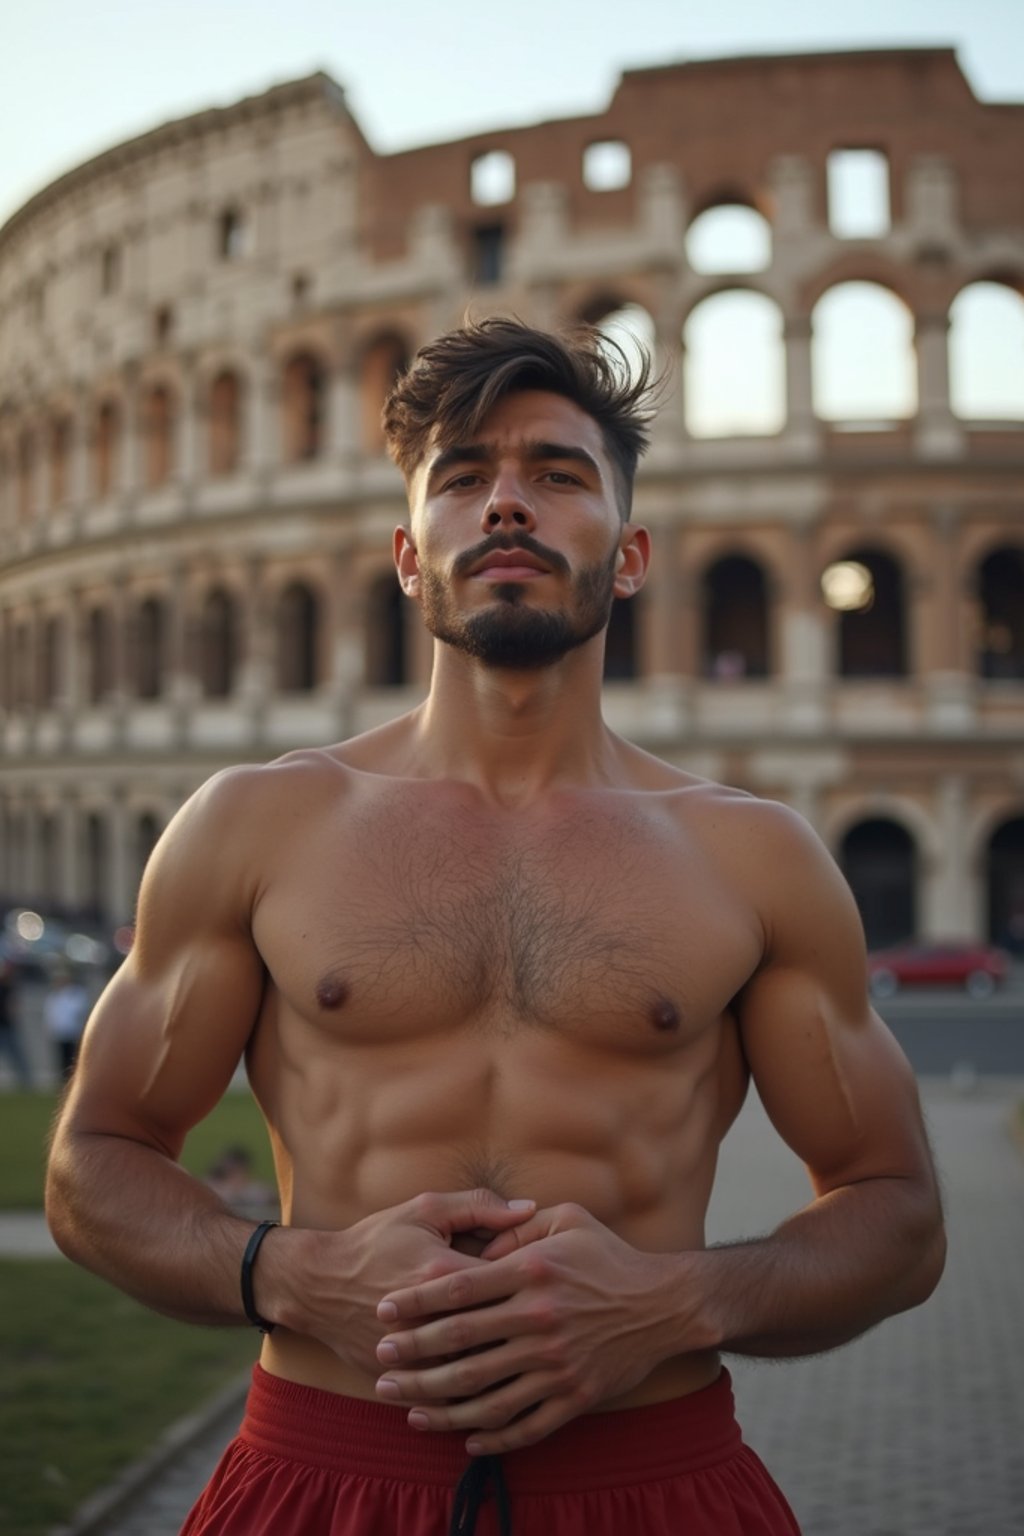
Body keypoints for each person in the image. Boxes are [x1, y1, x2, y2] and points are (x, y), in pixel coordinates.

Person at [45, 319, 946, 1536]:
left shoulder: (750, 855)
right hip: (320, 1471)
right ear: (411, 558)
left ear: (627, 557)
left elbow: (896, 1215)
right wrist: (291, 1276)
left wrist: (667, 1307)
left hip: (657, 1478)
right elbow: (90, 1166)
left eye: (556, 475)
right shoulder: (257, 825)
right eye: (464, 478)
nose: (507, 505)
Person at [42, 964, 89, 1082]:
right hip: (59, 1032)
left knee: (73, 1057)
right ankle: (63, 1079)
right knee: (62, 1058)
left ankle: (74, 1079)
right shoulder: (54, 996)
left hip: (72, 1031)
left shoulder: (76, 993)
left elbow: (79, 1010)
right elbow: (51, 1013)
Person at [0, 957, 32, 1088]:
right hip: (4, 1025)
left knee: (17, 1055)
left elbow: (14, 1005)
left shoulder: (9, 986)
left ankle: (26, 1082)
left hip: (7, 1026)